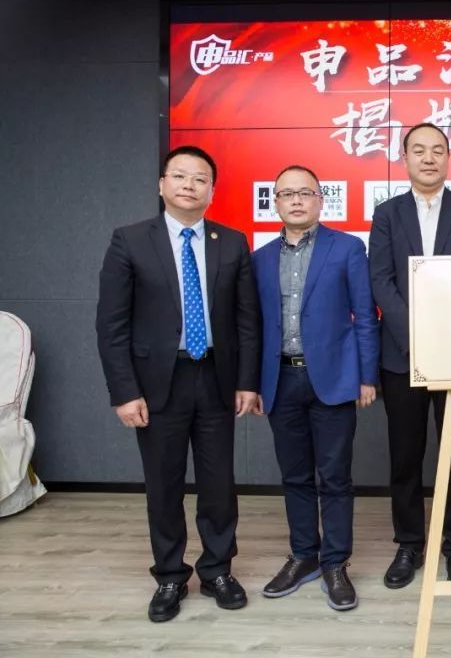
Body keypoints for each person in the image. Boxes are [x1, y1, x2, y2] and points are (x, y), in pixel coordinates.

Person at [95, 145, 260, 622]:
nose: (190, 185)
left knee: (218, 483)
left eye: (200, 178)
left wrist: (247, 381)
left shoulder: (232, 242)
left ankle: (217, 571)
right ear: (162, 185)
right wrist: (124, 391)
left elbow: (247, 320)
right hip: (155, 384)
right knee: (163, 484)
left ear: (212, 190)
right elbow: (111, 325)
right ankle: (169, 574)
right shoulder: (130, 240)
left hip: (215, 377)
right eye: (180, 176)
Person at [251, 165, 379, 611]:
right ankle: (304, 554)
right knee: (294, 476)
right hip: (280, 379)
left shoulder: (347, 248)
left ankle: (336, 562)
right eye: (286, 194)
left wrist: (367, 375)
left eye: (305, 193)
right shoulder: (260, 258)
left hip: (334, 378)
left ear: (321, 200)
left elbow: (365, 316)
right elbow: (253, 327)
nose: (296, 200)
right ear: (275, 202)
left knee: (336, 477)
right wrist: (252, 383)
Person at [368, 123, 451, 588]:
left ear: (449, 158)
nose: (429, 158)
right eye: (419, 150)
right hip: (403, 354)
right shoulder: (387, 213)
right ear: (405, 158)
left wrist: (448, 335)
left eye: (437, 150)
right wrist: (418, 334)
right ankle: (409, 544)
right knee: (405, 455)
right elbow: (380, 280)